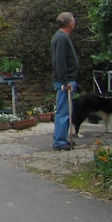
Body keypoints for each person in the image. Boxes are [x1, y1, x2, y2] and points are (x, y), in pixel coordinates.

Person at [51, 11, 79, 150]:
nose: (74, 21)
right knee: (63, 111)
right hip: (65, 81)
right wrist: (64, 82)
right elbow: (60, 61)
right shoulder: (61, 38)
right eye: (73, 20)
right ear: (69, 23)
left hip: (66, 79)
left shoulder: (62, 37)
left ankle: (62, 138)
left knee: (66, 111)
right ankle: (60, 141)